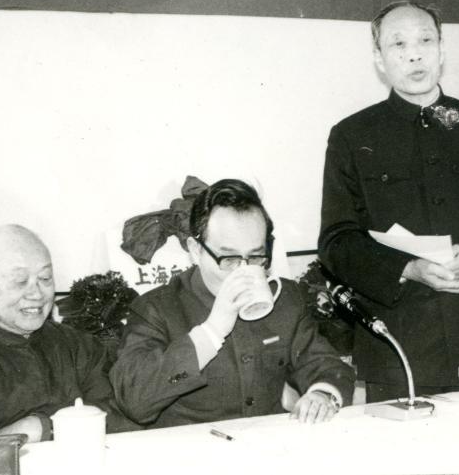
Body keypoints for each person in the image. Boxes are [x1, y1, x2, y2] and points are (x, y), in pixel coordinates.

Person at [319, 0, 459, 401]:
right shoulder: (352, 136)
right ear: (379, 59)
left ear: (442, 49)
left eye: (425, 40)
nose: (414, 54)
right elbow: (337, 241)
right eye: (398, 44)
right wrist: (409, 268)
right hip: (400, 345)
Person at [111, 179, 355, 428]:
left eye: (256, 257)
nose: (243, 270)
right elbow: (134, 400)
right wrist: (212, 331)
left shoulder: (285, 299)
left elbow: (327, 365)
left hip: (268, 443)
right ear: (195, 250)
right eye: (229, 259)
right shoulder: (156, 309)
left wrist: (322, 394)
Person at [0, 225, 136, 441]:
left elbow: (120, 414)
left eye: (45, 278)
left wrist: (45, 426)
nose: (36, 294)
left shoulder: (78, 344)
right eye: (20, 281)